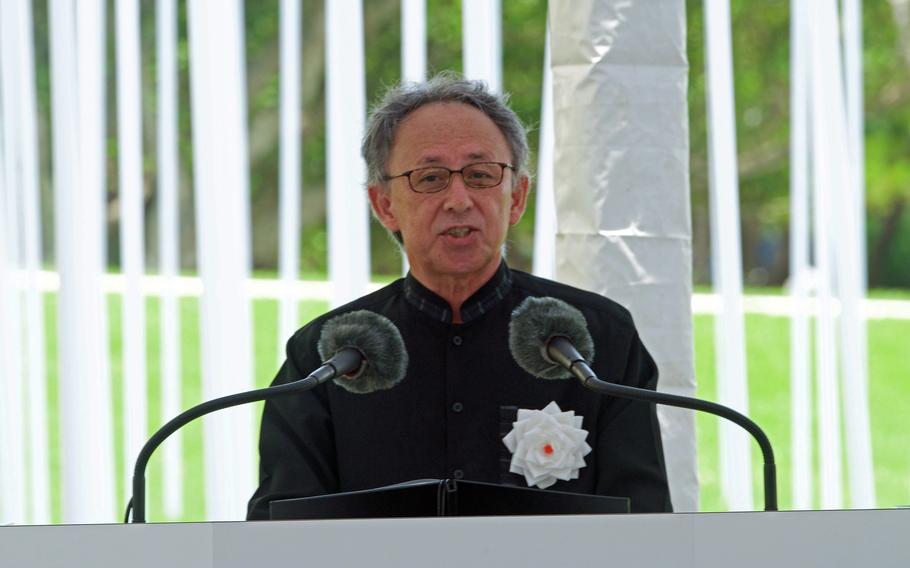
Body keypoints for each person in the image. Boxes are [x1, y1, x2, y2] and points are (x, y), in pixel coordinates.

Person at [247, 74, 671, 519]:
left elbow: (644, 523)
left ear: (517, 197)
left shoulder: (599, 341)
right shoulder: (324, 358)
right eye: (430, 178)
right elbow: (282, 530)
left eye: (480, 175)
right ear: (384, 204)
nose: (458, 199)